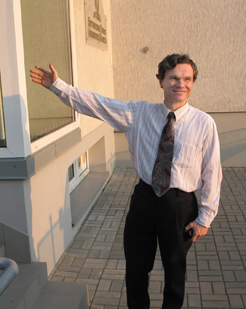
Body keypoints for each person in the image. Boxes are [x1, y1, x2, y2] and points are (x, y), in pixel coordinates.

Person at [30, 54, 222, 309]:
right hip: (144, 200)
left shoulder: (204, 123)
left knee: (175, 273)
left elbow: (212, 172)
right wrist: (59, 86)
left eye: (187, 79)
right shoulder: (138, 113)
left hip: (179, 205)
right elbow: (98, 104)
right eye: (173, 78)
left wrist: (205, 219)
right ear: (161, 81)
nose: (181, 84)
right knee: (135, 269)